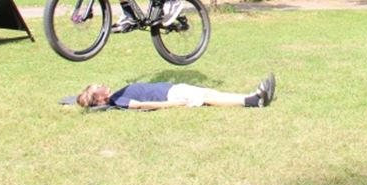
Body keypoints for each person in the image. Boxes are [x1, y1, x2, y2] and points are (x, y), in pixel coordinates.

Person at [76, 74, 276, 110]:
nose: (101, 85)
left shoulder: (117, 95)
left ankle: (252, 96)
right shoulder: (117, 100)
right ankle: (253, 100)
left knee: (210, 93)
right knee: (207, 97)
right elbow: (141, 105)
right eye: (97, 87)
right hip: (170, 96)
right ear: (99, 98)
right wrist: (171, 104)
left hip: (171, 90)